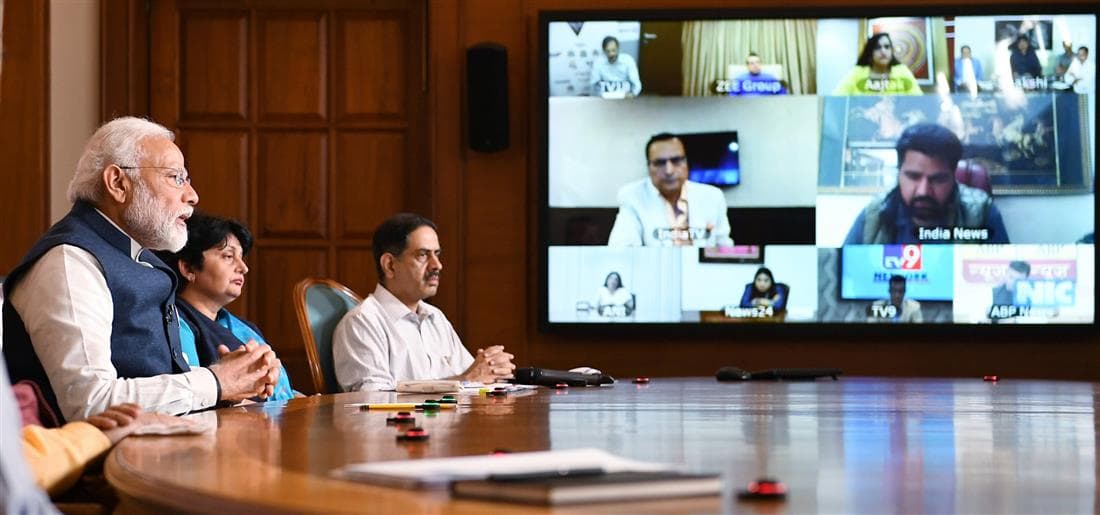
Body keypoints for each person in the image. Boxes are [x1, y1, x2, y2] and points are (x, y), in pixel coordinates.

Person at [2, 117, 280, 423]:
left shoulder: (138, 258)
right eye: (176, 177)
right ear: (118, 184)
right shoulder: (70, 262)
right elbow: (90, 404)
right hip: (103, 467)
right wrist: (215, 382)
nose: (192, 195)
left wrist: (236, 380)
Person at [332, 213, 517, 392]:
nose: (437, 265)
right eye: (423, 255)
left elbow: (472, 377)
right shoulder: (361, 323)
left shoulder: (436, 317)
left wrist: (493, 370)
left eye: (437, 254)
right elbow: (374, 399)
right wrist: (464, 381)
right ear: (389, 265)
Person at [154, 212, 300, 401]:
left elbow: (282, 394)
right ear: (189, 268)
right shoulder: (174, 324)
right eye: (228, 256)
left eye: (241, 258)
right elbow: (192, 397)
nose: (243, 268)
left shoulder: (244, 328)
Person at [843, 123, 1009, 245]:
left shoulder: (981, 213)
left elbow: (1001, 281)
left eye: (937, 179)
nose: (923, 191)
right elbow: (846, 278)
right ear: (899, 174)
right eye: (913, 177)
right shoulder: (874, 216)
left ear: (953, 177)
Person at [607, 133, 733, 247]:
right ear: (648, 167)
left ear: (686, 163)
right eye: (660, 163)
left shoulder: (712, 197)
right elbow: (622, 249)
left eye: (676, 160)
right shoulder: (632, 196)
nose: (669, 171)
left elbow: (724, 250)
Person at [833, 33, 922, 95]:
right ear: (870, 52)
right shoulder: (857, 73)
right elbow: (837, 97)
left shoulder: (902, 71)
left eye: (887, 47)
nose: (883, 51)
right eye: (877, 47)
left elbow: (918, 99)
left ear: (892, 51)